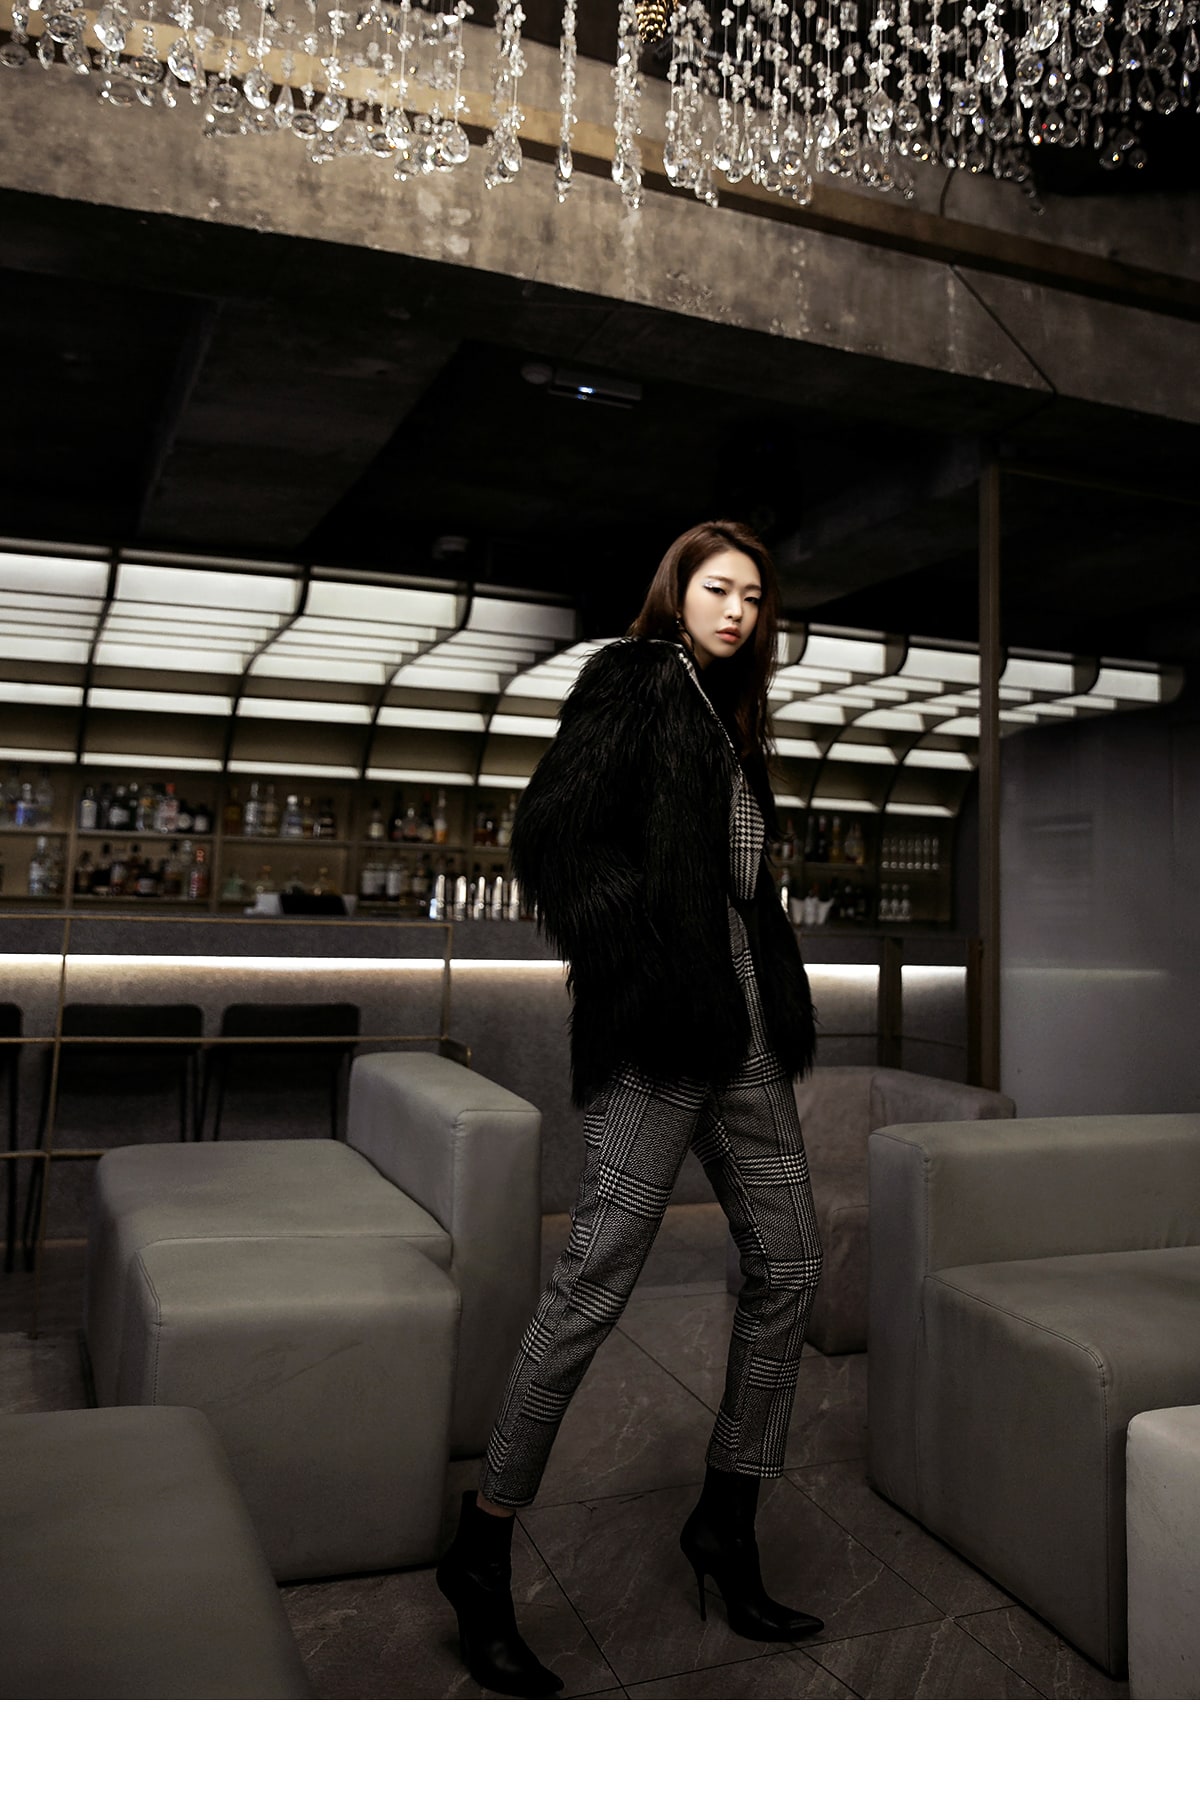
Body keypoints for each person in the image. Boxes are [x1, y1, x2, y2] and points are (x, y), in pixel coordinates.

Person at [435, 520, 824, 1698]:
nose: (738, 610)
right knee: (592, 1283)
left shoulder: (729, 711)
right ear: (677, 591)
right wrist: (644, 962)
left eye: (754, 595)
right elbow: (552, 839)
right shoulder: (639, 678)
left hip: (744, 1027)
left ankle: (726, 1520)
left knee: (791, 1263)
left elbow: (739, 883)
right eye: (719, 588)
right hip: (662, 1031)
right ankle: (482, 1549)